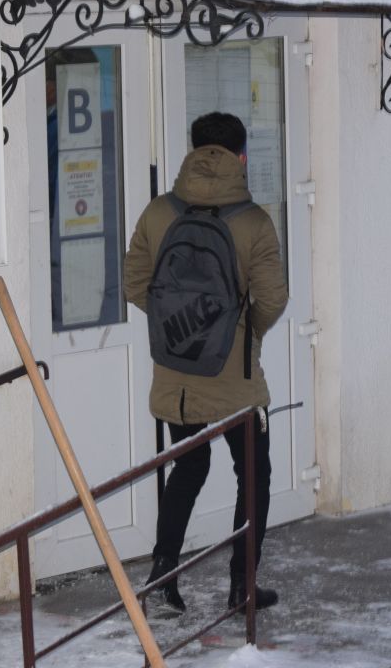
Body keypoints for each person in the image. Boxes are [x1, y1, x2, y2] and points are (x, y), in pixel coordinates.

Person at [123, 111, 288, 614]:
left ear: (193, 151)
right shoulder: (254, 222)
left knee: (189, 467)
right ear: (242, 157)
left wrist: (180, 325)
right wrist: (241, 334)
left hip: (177, 378)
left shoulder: (158, 212)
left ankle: (162, 576)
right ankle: (242, 587)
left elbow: (133, 284)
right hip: (235, 380)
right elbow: (272, 299)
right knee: (253, 476)